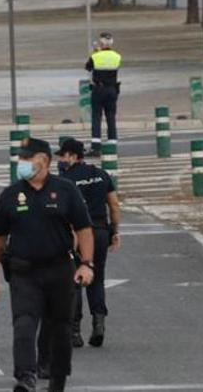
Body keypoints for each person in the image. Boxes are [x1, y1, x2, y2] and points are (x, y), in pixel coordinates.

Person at [0, 138, 95, 392]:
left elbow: (84, 229)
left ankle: (57, 379)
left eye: (26, 158)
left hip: (60, 269)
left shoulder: (66, 190)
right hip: (24, 272)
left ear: (44, 161)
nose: (21, 163)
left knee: (60, 327)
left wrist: (87, 264)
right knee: (23, 323)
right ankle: (26, 377)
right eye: (20, 158)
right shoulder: (11, 195)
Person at [55, 138, 120, 348]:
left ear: (73, 156)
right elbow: (114, 204)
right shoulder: (101, 174)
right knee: (97, 278)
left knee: (75, 280)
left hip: (77, 234)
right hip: (101, 232)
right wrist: (115, 231)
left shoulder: (65, 180)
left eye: (63, 156)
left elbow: (60, 211)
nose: (60, 160)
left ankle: (75, 331)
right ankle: (99, 324)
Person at [85, 33, 121, 156]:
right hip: (112, 90)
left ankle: (96, 147)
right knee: (111, 116)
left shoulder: (96, 56)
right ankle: (112, 144)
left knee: (96, 117)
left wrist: (95, 53)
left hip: (98, 89)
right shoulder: (117, 56)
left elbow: (88, 67)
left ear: (100, 43)